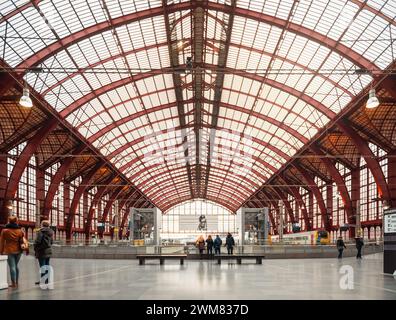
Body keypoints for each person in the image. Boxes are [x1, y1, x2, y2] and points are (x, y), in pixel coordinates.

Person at [0, 215, 24, 288]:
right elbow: (22, 241)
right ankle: (16, 282)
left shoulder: (5, 231)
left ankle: (13, 283)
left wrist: (1, 251)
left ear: (9, 221)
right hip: (19, 251)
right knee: (16, 266)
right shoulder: (20, 231)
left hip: (9, 250)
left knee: (12, 267)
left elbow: (1, 242)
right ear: (16, 221)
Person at [34, 220, 54, 285]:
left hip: (41, 251)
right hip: (48, 250)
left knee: (42, 266)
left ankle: (43, 280)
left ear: (42, 225)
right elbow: (51, 242)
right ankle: (47, 280)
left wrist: (35, 247)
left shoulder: (40, 231)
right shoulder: (51, 232)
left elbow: (38, 241)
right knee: (47, 265)